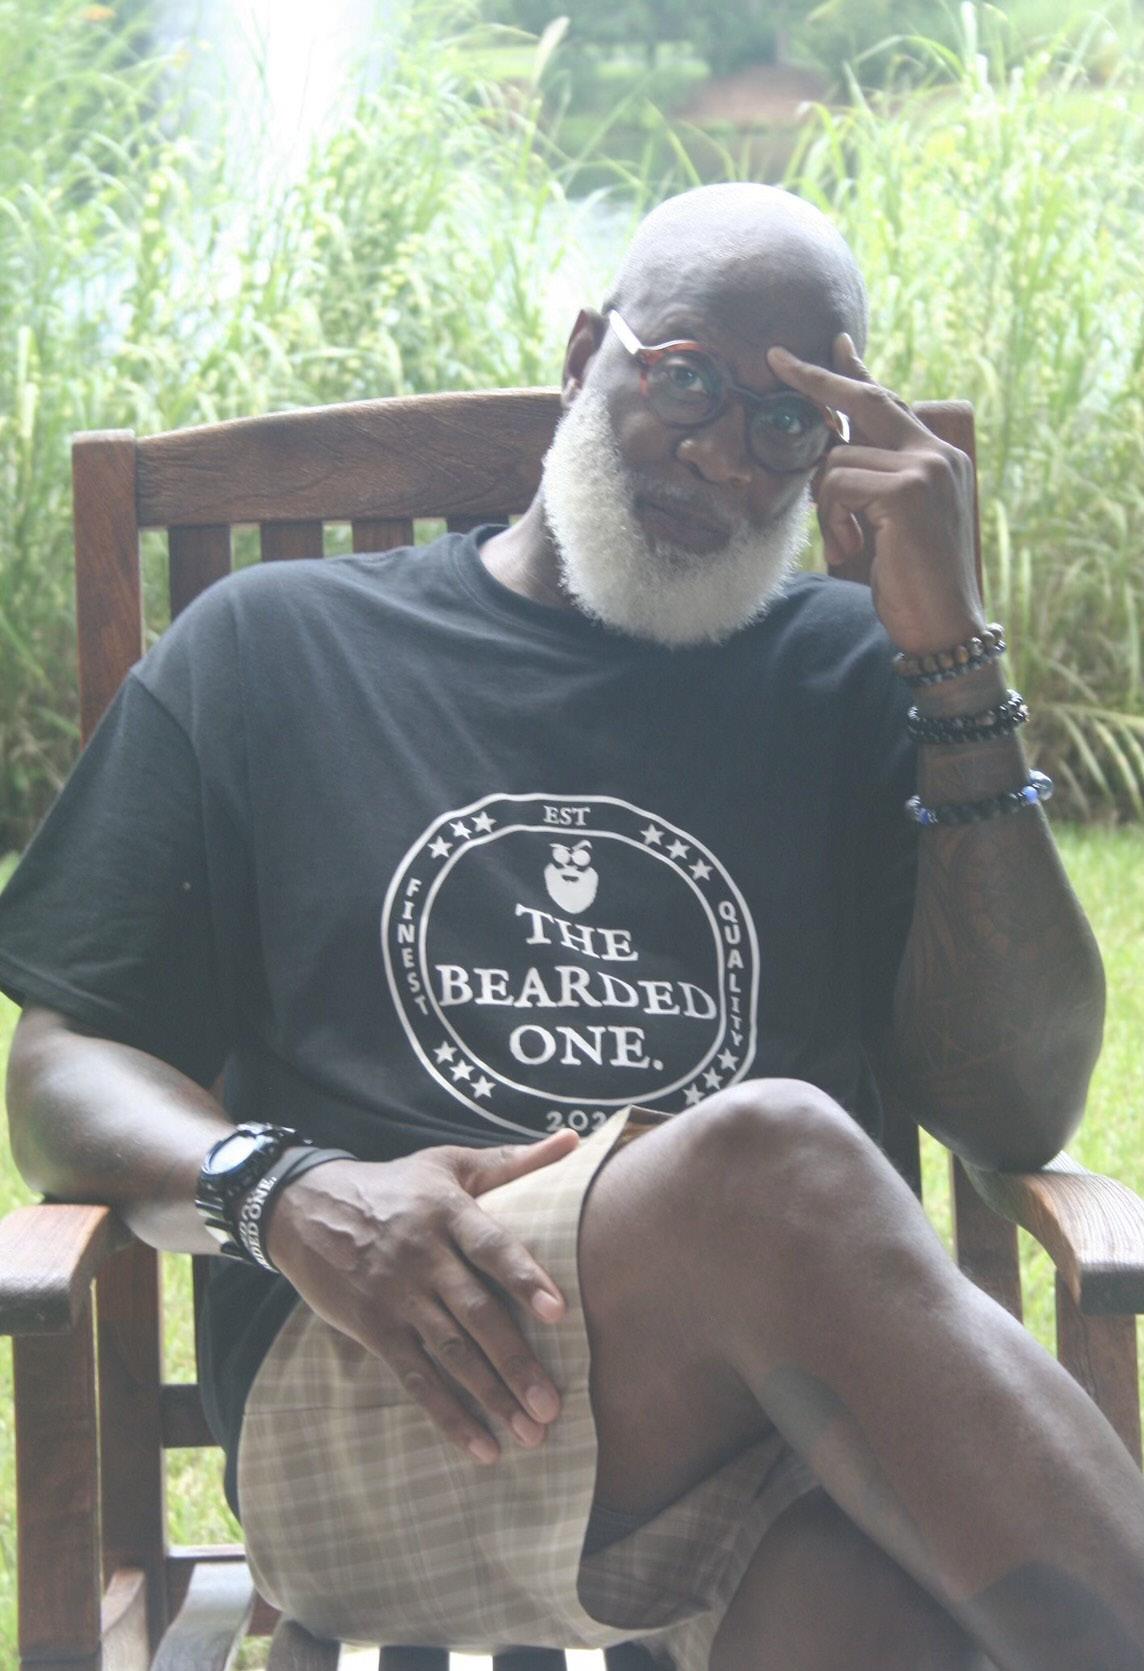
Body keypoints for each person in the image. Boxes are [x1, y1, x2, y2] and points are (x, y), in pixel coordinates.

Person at [1, 182, 1142, 1670]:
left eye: (787, 423)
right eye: (688, 381)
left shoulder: (853, 676)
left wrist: (955, 663)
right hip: (409, 1376)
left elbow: (1017, 1110)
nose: (725, 454)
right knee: (772, 1154)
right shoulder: (278, 647)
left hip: (773, 1429)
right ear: (586, 351)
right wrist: (284, 1191)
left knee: (886, 1622)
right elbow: (61, 1067)